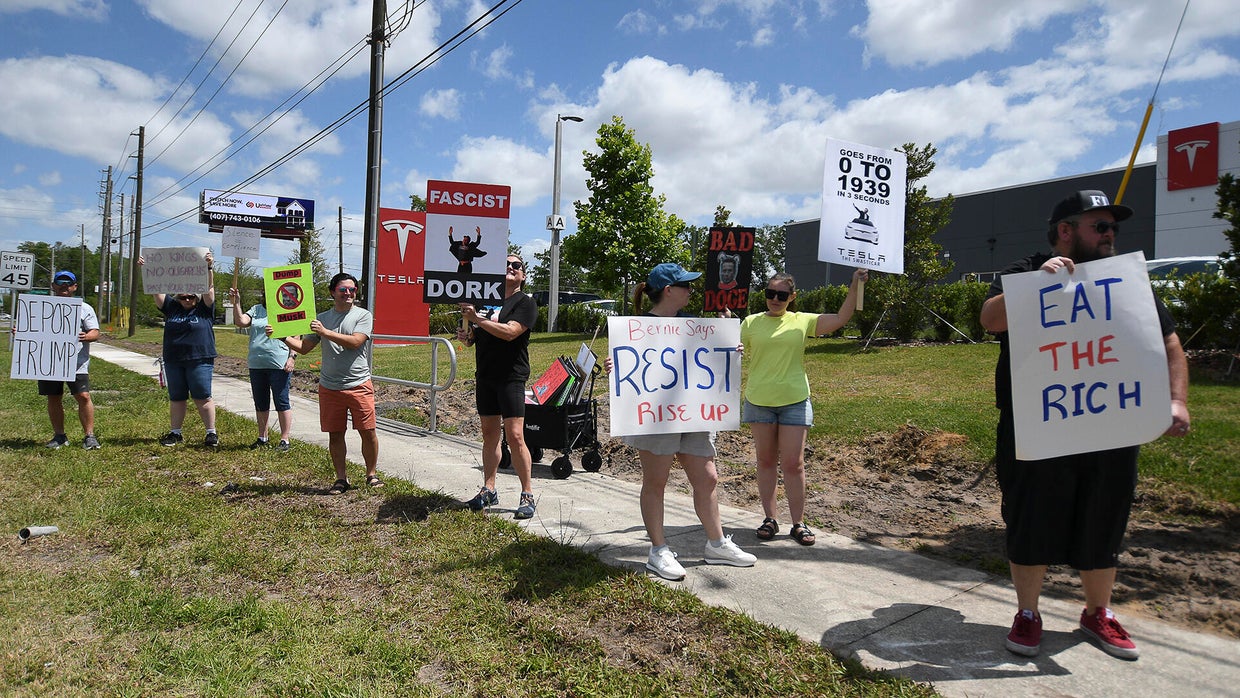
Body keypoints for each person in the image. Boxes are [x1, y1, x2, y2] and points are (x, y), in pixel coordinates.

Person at [979, 190, 1191, 660]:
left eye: (1114, 227)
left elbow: (1170, 343)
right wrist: (1038, 282)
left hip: (1110, 424)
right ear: (1065, 231)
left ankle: (1097, 613)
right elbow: (990, 320)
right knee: (1030, 519)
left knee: (1104, 517)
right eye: (1100, 226)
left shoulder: (1125, 281)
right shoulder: (1024, 269)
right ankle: (1028, 614)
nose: (1110, 234)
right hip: (1038, 424)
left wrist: (1177, 401)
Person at [614, 262, 757, 581]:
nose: (692, 290)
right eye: (685, 285)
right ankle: (658, 550)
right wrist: (617, 364)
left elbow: (709, 360)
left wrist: (731, 349)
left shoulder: (694, 325)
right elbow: (629, 367)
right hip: (656, 416)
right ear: (668, 291)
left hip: (693, 412)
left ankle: (717, 543)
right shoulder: (637, 327)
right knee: (656, 482)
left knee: (707, 477)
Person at [740, 268, 867, 547]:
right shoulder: (750, 322)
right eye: (770, 293)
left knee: (793, 464)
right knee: (764, 462)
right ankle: (770, 519)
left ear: (792, 297)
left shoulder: (801, 321)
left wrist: (855, 285)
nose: (775, 299)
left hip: (794, 400)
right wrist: (727, 333)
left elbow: (842, 318)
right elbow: (729, 347)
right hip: (759, 401)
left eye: (781, 295)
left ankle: (798, 522)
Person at [276, 273, 382, 493]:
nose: (349, 294)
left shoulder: (363, 315)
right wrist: (281, 337)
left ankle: (371, 474)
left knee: (368, 431)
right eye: (343, 290)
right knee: (335, 434)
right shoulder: (321, 317)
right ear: (333, 292)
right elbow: (304, 348)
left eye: (352, 290)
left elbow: (355, 342)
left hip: (359, 383)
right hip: (330, 386)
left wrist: (325, 332)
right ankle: (341, 479)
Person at [455, 254, 538, 519]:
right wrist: (467, 334)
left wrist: (477, 320)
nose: (511, 268)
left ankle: (527, 493)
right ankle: (489, 488)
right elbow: (472, 340)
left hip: (511, 377)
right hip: (486, 376)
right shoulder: (482, 301)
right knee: (490, 434)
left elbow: (511, 332)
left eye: (516, 266)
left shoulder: (525, 303)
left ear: (523, 275)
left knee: (515, 435)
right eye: (506, 264)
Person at [140, 252, 219, 448]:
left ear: (196, 295)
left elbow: (209, 289)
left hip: (200, 359)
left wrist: (209, 268)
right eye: (182, 295)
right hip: (174, 360)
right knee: (176, 397)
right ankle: (175, 433)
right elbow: (156, 290)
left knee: (202, 396)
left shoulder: (204, 309)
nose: (186, 298)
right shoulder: (171, 308)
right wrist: (146, 269)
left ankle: (211, 433)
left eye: (191, 294)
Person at [39, 270, 101, 450]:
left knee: (83, 396)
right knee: (53, 397)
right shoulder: (41, 306)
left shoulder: (85, 308)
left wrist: (86, 336)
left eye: (68, 283)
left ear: (75, 286)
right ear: (53, 286)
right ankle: (59, 436)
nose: (64, 286)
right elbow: (32, 329)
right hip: (49, 361)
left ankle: (89, 436)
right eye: (60, 282)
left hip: (77, 363)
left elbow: (95, 332)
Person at [230, 286, 295, 452]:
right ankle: (262, 437)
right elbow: (241, 322)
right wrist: (236, 303)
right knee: (260, 401)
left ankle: (284, 439)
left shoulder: (286, 310)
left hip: (279, 364)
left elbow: (296, 335)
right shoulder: (257, 310)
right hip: (256, 364)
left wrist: (291, 357)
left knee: (281, 401)